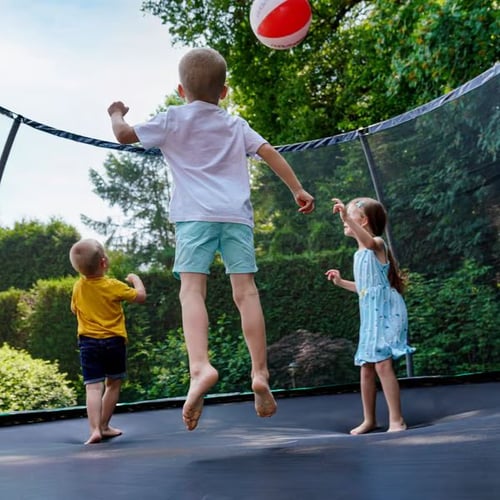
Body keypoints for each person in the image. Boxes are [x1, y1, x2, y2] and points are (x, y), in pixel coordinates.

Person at [107, 47, 315, 431]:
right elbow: (269, 153)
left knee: (192, 291)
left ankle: (200, 367)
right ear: (224, 92)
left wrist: (117, 111)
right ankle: (260, 373)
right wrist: (297, 189)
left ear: (180, 90)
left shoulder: (172, 119)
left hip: (193, 217)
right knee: (246, 292)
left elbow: (123, 135)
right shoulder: (236, 124)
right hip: (235, 217)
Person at [325, 197, 414, 434]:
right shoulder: (357, 255)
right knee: (366, 367)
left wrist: (346, 218)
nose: (344, 223)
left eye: (349, 218)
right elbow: (364, 288)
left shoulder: (376, 244)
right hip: (370, 315)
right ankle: (369, 419)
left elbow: (368, 242)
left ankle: (397, 420)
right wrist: (341, 282)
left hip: (386, 312)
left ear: (363, 221)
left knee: (383, 364)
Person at [69, 238, 146, 444]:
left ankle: (95, 429)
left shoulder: (78, 287)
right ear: (103, 263)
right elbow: (140, 297)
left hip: (88, 343)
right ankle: (104, 425)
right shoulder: (113, 285)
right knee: (113, 384)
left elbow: (74, 309)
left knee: (93, 387)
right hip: (113, 342)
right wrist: (135, 279)